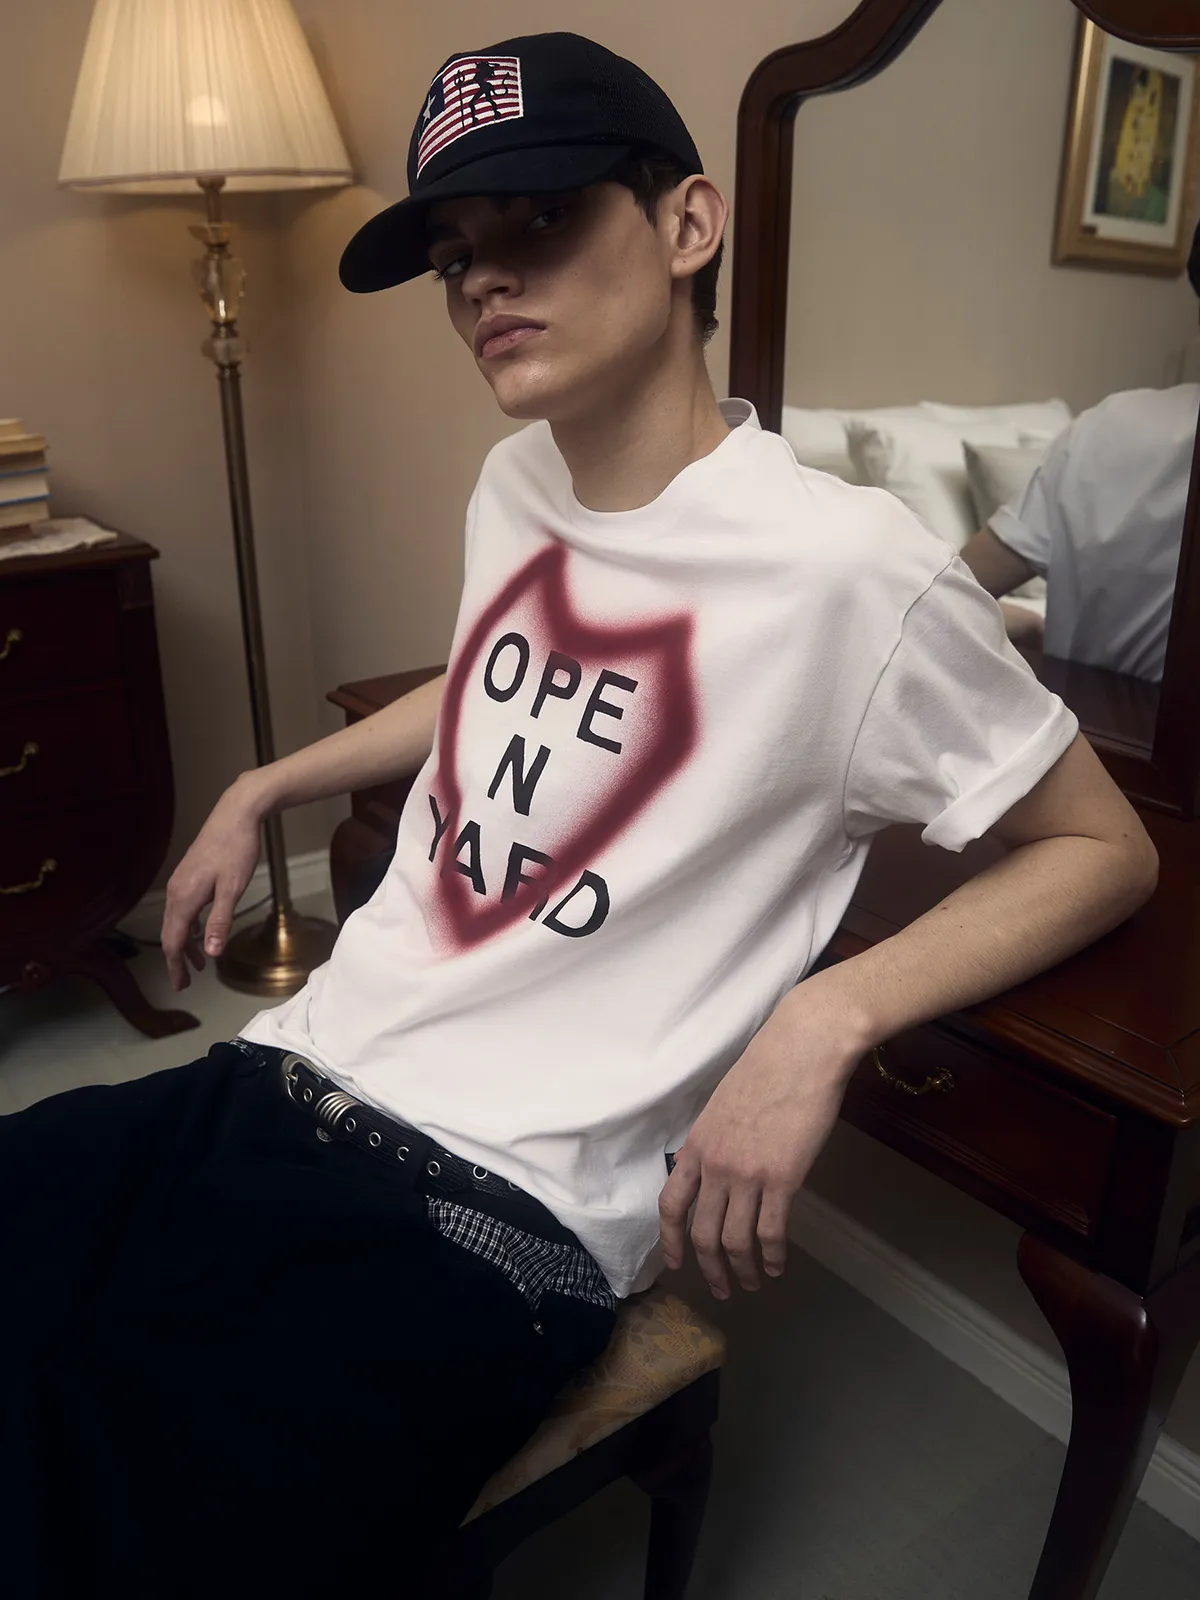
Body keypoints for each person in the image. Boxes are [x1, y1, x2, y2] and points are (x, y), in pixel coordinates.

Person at [1, 30, 1160, 1599]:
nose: (484, 279)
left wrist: (823, 1018)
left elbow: (1103, 846)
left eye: (540, 219)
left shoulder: (851, 575)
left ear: (689, 224)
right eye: (455, 255)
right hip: (286, 1074)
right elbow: (496, 681)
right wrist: (267, 782)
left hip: (492, 1211)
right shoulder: (517, 483)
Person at [961, 225, 1200, 683]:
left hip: (1083, 719)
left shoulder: (1110, 426)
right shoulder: (1107, 428)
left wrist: (1020, 622)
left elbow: (948, 589)